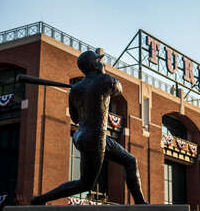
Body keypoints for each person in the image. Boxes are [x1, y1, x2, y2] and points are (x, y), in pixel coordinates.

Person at [31, 50, 147, 205]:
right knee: (85, 184)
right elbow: (119, 90)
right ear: (94, 64)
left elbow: (75, 118)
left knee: (130, 161)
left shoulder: (76, 89)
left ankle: (140, 202)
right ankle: (40, 199)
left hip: (81, 136)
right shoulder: (105, 80)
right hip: (96, 137)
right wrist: (103, 74)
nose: (102, 63)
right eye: (99, 61)